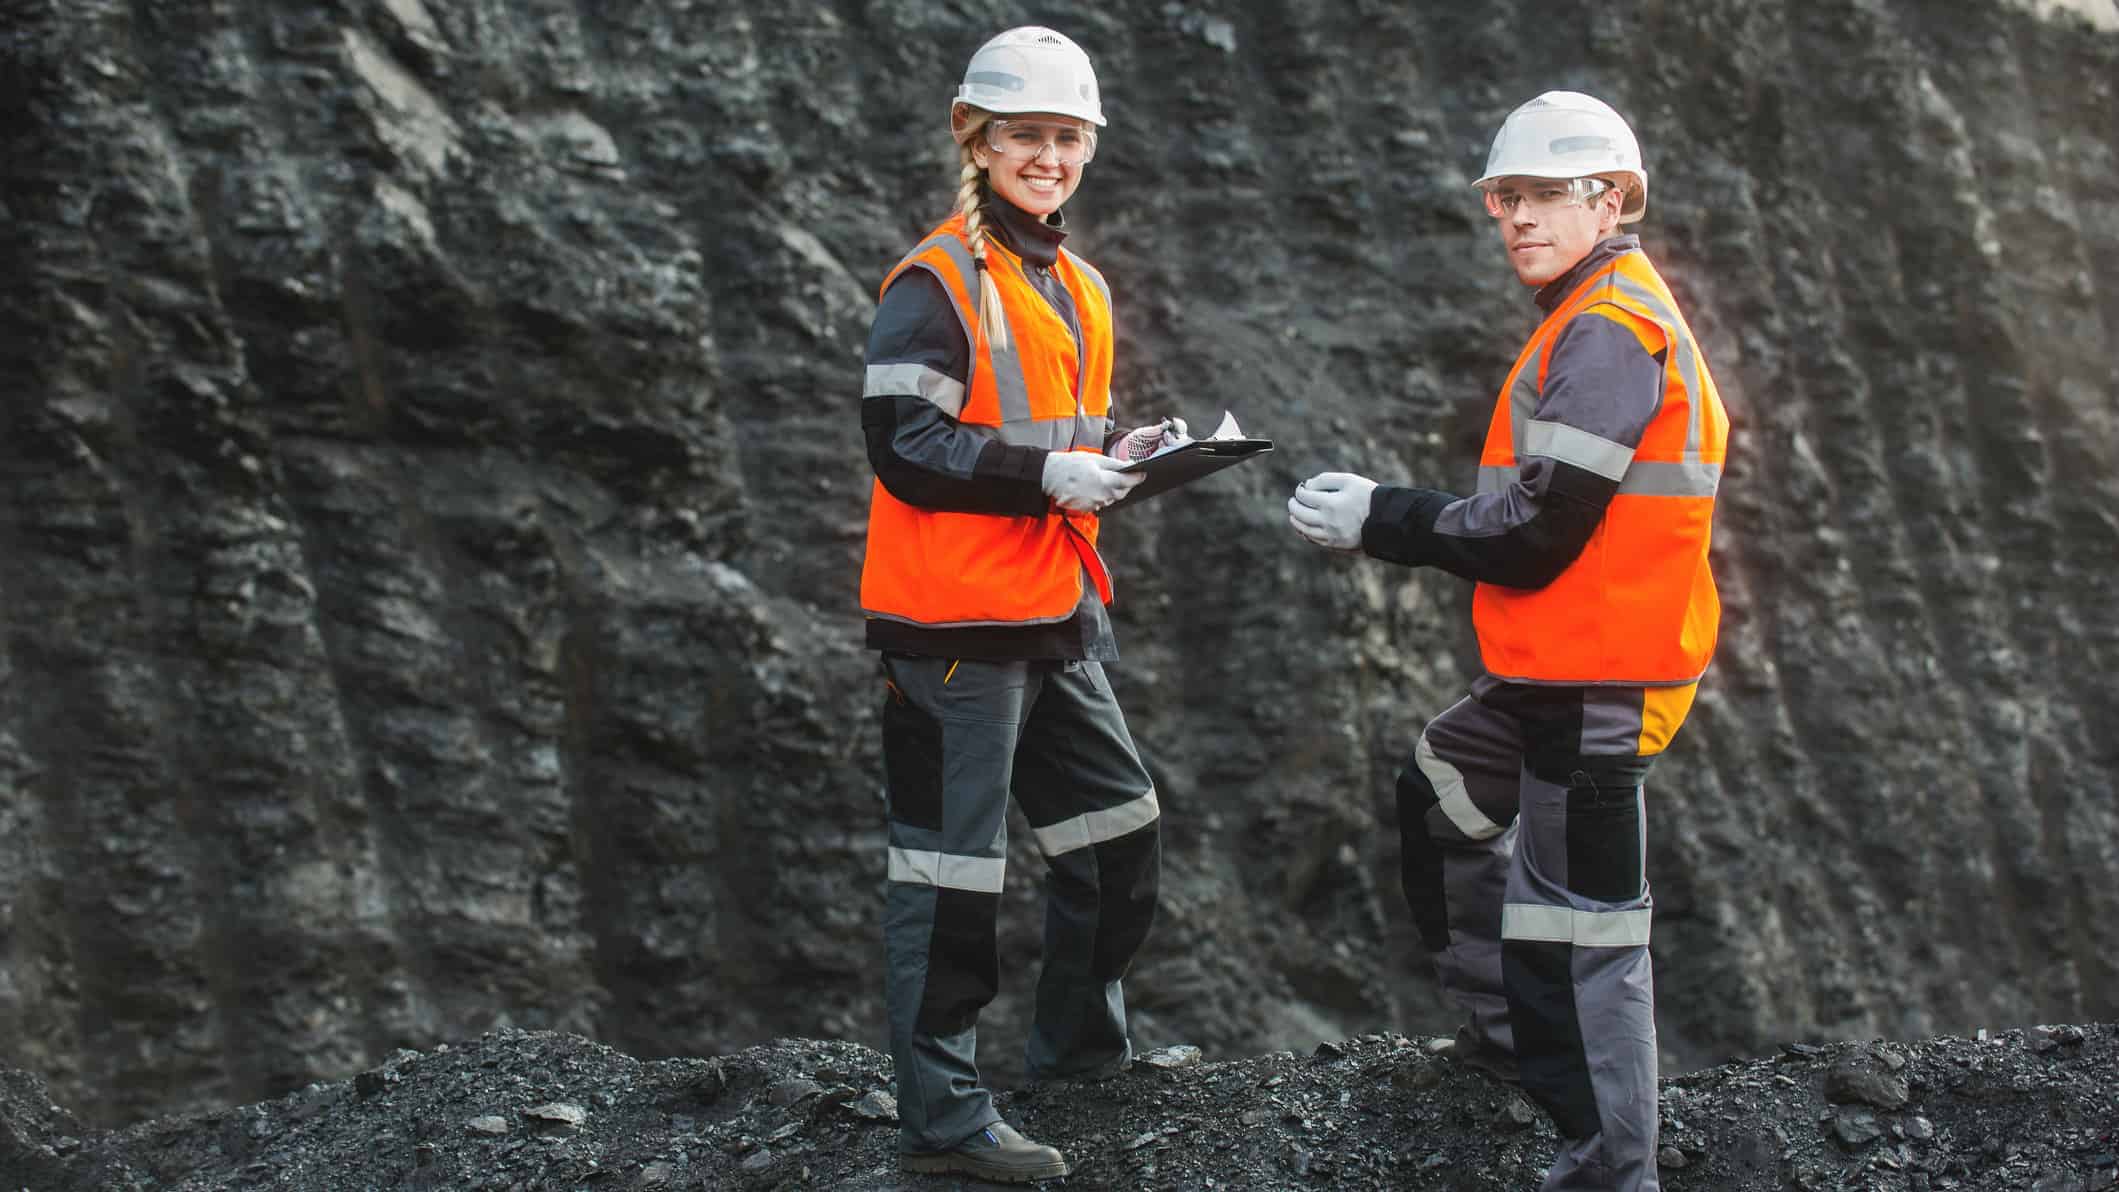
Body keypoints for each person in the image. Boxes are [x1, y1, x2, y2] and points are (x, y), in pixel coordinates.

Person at [1287, 90, 1728, 1192]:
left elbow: (1535, 533)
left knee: (1582, 946)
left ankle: (1609, 1172)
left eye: (1539, 195)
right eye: (1504, 198)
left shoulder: (1611, 332)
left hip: (1599, 685)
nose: (1515, 217)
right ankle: (1512, 1047)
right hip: (1550, 672)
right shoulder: (1584, 318)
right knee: (1437, 790)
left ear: (1611, 198)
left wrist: (1380, 515)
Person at [856, 25, 1179, 1185]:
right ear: (976, 139)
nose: (1048, 156)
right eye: (1026, 135)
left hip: (1049, 616)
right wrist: (1046, 473)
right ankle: (942, 1127)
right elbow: (904, 444)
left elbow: (1056, 430)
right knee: (949, 877)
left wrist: (1121, 452)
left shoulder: (1076, 286)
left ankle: (1079, 1057)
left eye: (1065, 138)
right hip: (950, 635)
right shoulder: (936, 281)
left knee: (1120, 831)